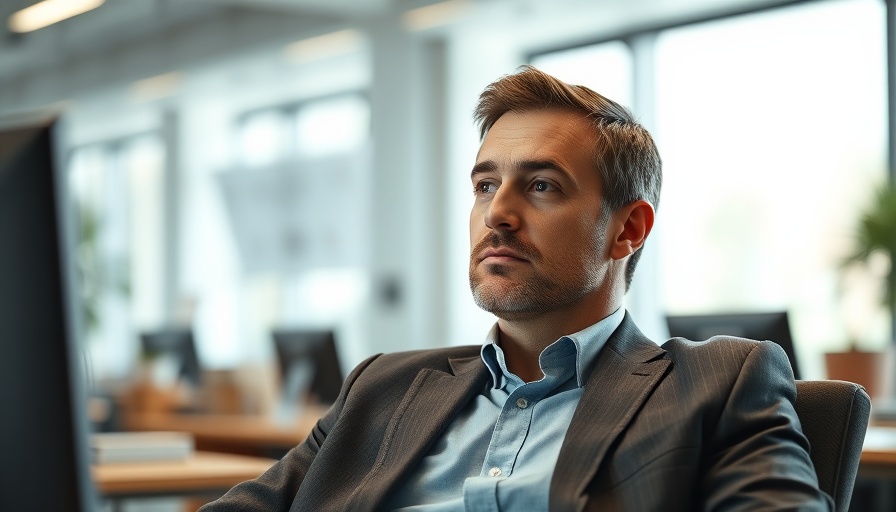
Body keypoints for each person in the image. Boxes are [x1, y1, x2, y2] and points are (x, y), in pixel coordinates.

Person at [200, 66, 831, 511]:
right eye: (483, 185)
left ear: (627, 230)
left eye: (542, 186)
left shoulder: (718, 385)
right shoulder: (382, 387)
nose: (497, 213)